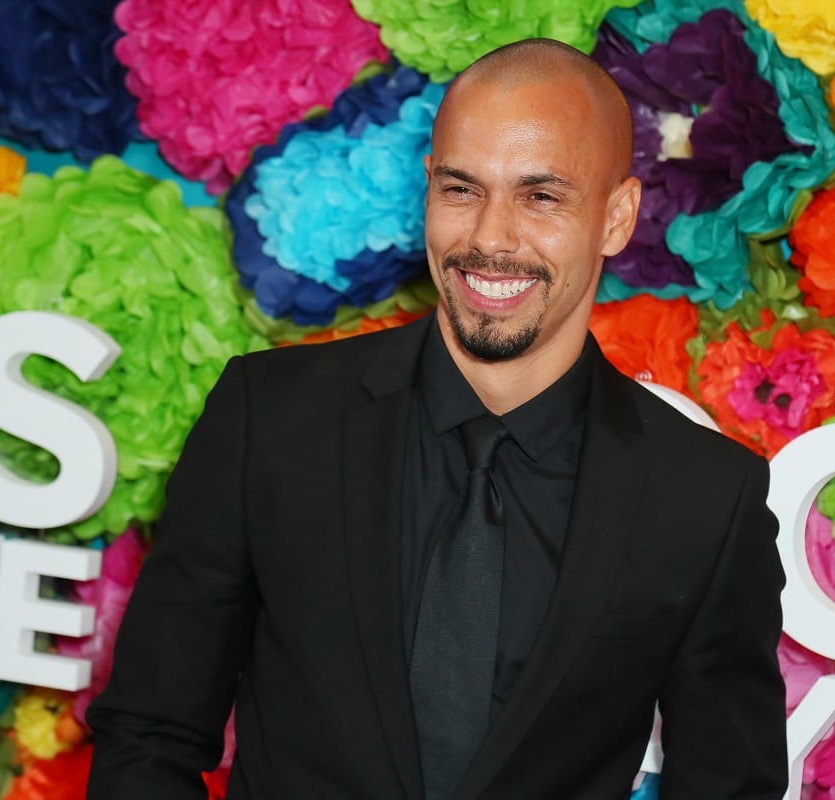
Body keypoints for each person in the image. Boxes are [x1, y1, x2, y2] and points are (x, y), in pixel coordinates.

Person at [86, 38, 787, 799]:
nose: (490, 237)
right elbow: (148, 733)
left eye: (540, 196)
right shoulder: (274, 421)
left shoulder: (703, 499)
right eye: (461, 189)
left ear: (616, 217)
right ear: (427, 188)